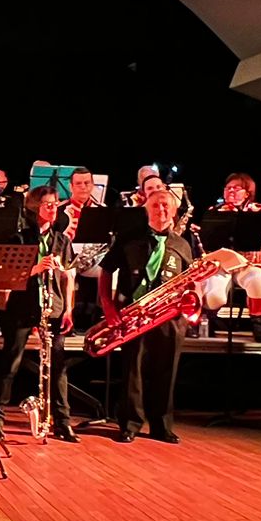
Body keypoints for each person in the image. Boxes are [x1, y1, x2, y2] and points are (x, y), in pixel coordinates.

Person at [100, 175, 195, 444]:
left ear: (175, 212)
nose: (162, 210)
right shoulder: (129, 239)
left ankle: (162, 425)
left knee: (167, 370)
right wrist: (108, 306)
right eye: (156, 205)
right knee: (134, 371)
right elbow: (106, 270)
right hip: (135, 314)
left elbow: (189, 282)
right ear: (146, 209)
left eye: (167, 206)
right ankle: (130, 423)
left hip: (170, 318)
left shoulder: (183, 245)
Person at [0, 184, 76, 442]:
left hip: (54, 308)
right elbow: (6, 278)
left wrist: (69, 309)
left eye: (55, 203)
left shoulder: (62, 241)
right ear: (34, 208)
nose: (52, 208)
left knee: (58, 365)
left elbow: (68, 277)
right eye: (47, 204)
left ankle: (62, 421)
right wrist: (36, 268)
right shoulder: (19, 239)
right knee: (11, 361)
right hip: (24, 307)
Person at [196, 172, 261, 342]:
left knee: (258, 279)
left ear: (247, 193)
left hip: (247, 264)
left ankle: (259, 325)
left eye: (236, 188)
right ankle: (207, 321)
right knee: (215, 295)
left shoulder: (258, 211)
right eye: (228, 188)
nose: (231, 191)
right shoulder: (214, 212)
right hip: (221, 265)